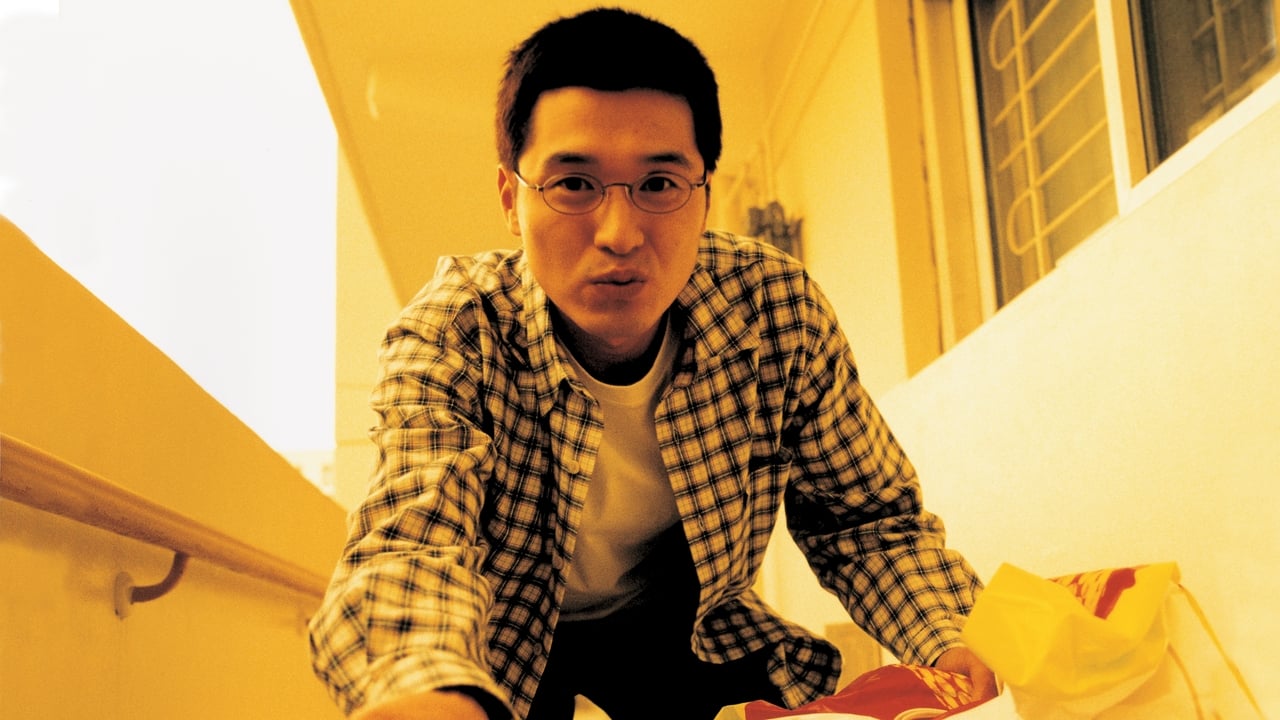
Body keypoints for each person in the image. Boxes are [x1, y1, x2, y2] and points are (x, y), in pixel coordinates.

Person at [309, 7, 998, 720]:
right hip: (503, 632)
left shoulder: (775, 310)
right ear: (512, 200)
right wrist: (425, 690)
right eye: (574, 185)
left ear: (704, 198)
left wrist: (956, 644)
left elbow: (865, 522)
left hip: (684, 627)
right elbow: (414, 542)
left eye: (660, 184)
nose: (619, 233)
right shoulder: (456, 327)